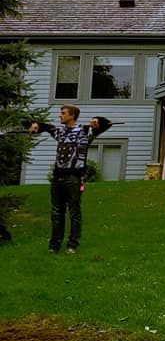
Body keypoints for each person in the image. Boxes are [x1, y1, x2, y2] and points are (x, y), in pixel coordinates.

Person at [29, 106, 111, 254]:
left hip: (73, 177)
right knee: (56, 213)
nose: (60, 116)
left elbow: (107, 124)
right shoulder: (60, 133)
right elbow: (45, 127)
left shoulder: (85, 131)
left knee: (74, 212)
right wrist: (35, 125)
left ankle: (72, 245)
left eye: (63, 113)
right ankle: (54, 246)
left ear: (72, 116)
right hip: (57, 177)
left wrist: (98, 120)